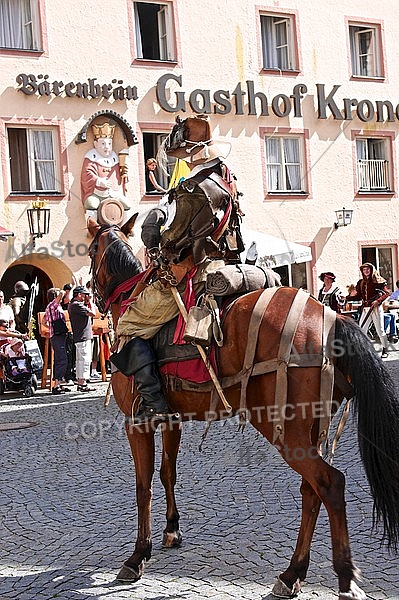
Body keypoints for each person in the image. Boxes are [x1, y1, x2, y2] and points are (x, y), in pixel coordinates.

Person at [113, 115, 240, 424]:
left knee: (127, 326)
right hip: (225, 262)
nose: (181, 160)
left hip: (189, 272)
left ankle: (154, 401)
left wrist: (157, 244)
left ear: (190, 152)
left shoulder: (194, 189)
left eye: (183, 155)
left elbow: (176, 236)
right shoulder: (226, 178)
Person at [80, 121, 130, 211]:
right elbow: (87, 174)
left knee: (127, 205)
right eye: (103, 144)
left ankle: (127, 225)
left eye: (109, 144)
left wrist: (124, 171)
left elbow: (120, 174)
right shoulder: (91, 157)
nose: (107, 147)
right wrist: (99, 181)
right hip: (97, 193)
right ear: (96, 144)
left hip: (115, 193)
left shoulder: (115, 157)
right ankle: (92, 224)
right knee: (91, 205)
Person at [347, 263, 390, 358]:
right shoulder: (361, 283)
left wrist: (378, 301)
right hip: (365, 309)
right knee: (361, 329)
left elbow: (386, 293)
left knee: (380, 330)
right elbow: (358, 297)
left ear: (371, 270)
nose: (366, 271)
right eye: (364, 269)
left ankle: (385, 349)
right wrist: (347, 298)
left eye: (368, 269)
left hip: (375, 309)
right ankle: (363, 350)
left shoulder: (378, 281)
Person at [68, 286, 96, 392]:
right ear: (79, 295)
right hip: (83, 337)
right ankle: (83, 383)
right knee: (85, 360)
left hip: (79, 336)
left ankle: (80, 382)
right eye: (84, 295)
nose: (85, 297)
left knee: (80, 361)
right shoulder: (77, 305)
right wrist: (91, 302)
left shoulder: (73, 305)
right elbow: (93, 313)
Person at [44, 288, 70, 394]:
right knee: (61, 360)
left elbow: (43, 321)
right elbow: (61, 296)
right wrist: (62, 291)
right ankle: (56, 386)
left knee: (59, 359)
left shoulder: (49, 307)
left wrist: (51, 327)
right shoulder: (53, 305)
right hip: (57, 336)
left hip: (56, 335)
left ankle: (58, 384)